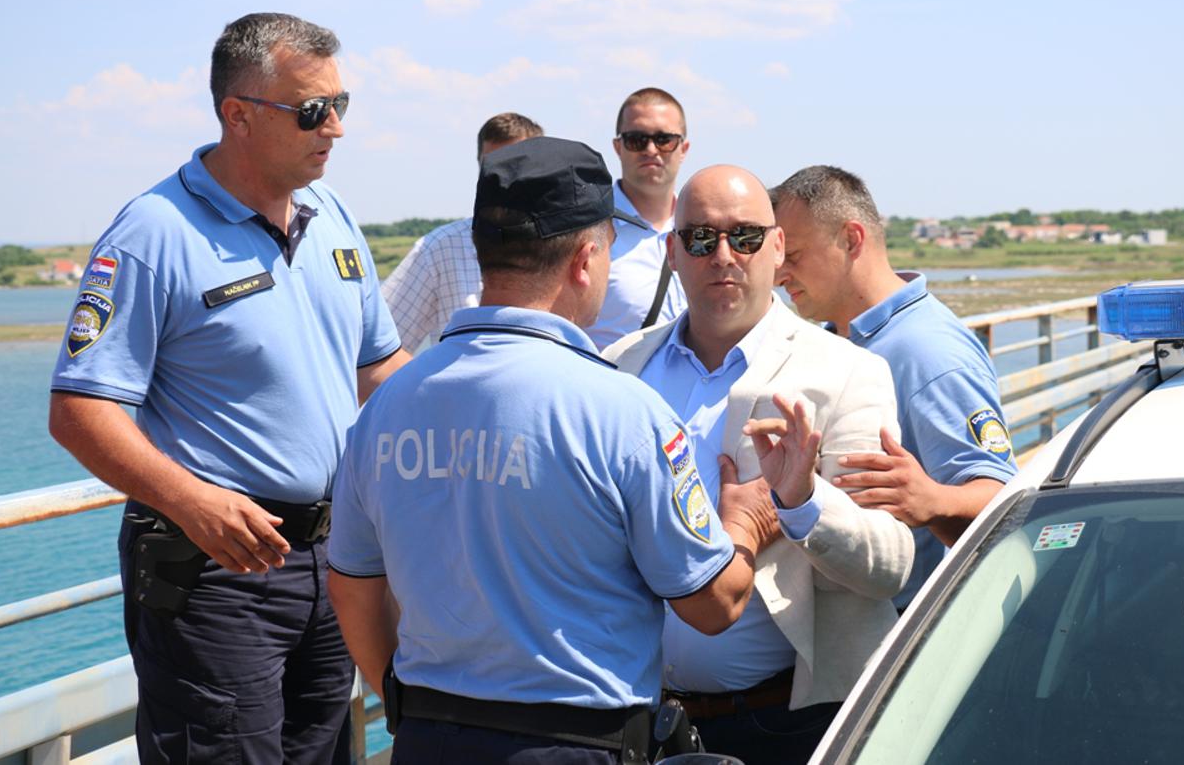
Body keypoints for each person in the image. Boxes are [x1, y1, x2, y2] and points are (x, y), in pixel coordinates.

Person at [327, 138, 784, 765]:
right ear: (586, 259)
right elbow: (712, 604)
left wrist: (412, 710)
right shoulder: (624, 410)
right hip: (577, 744)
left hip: (428, 737)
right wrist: (744, 524)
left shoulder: (388, 405)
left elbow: (352, 589)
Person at [47, 12, 410, 764]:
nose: (336, 127)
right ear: (238, 115)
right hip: (215, 570)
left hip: (333, 559)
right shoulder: (153, 234)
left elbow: (381, 370)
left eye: (342, 104)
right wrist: (192, 502)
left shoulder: (332, 215)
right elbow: (80, 409)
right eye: (313, 110)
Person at [605, 164, 914, 765]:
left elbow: (891, 567)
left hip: (786, 724)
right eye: (701, 238)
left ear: (776, 247)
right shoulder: (622, 366)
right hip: (639, 720)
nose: (724, 255)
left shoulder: (846, 372)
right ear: (672, 252)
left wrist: (803, 503)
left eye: (745, 237)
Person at [770, 165, 1018, 610]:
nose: (779, 275)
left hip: (902, 622)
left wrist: (934, 500)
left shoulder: (926, 350)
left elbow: (1005, 498)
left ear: (851, 239)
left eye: (794, 255)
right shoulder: (837, 339)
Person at [381, 112, 544, 351]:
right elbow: (378, 347)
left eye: (518, 166)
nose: (505, 180)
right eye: (494, 168)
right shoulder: (440, 249)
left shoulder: (570, 247)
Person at [586, 87, 691, 350]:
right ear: (618, 147)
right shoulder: (585, 229)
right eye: (637, 139)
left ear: (683, 148)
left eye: (664, 139)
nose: (651, 149)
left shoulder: (706, 231)